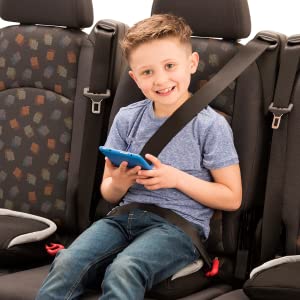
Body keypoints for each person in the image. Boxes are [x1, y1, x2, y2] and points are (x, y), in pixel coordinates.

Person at [36, 14, 242, 300]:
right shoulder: (127, 118)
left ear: (191, 64)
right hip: (123, 218)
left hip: (177, 228)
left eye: (170, 66)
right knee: (67, 261)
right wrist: (119, 182)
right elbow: (109, 192)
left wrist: (175, 178)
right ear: (134, 77)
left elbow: (232, 197)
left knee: (124, 269)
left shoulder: (210, 125)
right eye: (147, 72)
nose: (161, 79)